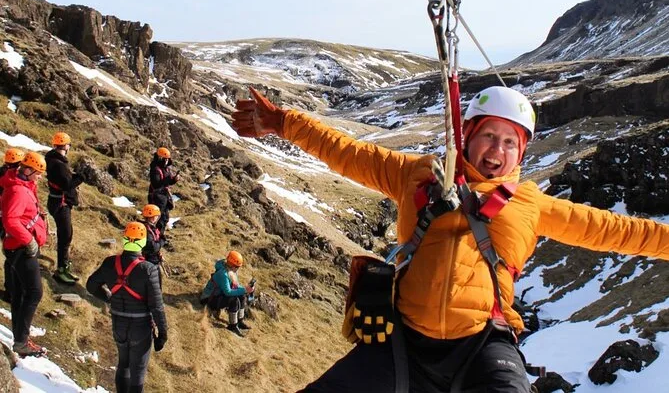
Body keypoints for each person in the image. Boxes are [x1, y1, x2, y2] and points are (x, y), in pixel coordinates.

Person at [231, 86, 669, 392]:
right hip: (401, 343)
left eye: (510, 143)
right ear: (468, 136)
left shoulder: (531, 204)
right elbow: (349, 153)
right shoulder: (417, 174)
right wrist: (284, 122)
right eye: (489, 136)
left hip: (483, 346)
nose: (497, 151)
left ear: (521, 152)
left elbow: (619, 230)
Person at [86, 221, 168, 393]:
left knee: (123, 363)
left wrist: (110, 298)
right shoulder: (148, 269)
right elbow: (156, 305)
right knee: (138, 370)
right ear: (143, 242)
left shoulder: (110, 263)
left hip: (118, 323)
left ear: (125, 239)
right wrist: (163, 333)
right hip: (141, 326)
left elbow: (91, 285)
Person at [1, 152, 48, 357]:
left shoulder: (23, 186)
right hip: (21, 248)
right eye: (37, 173)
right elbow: (10, 220)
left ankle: (20, 338)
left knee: (20, 293)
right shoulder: (18, 191)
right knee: (34, 292)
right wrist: (29, 240)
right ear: (27, 170)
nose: (39, 177)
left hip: (18, 247)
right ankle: (21, 341)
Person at [45, 132, 83, 285]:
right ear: (66, 146)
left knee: (66, 235)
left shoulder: (53, 160)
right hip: (61, 204)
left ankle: (64, 267)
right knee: (65, 236)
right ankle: (61, 270)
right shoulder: (59, 164)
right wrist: (80, 178)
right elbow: (67, 185)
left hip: (57, 202)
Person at [204, 250, 254, 337]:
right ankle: (233, 326)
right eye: (237, 266)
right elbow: (228, 292)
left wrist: (246, 289)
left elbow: (235, 286)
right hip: (209, 299)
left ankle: (240, 321)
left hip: (219, 294)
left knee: (242, 295)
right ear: (231, 265)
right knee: (233, 300)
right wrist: (245, 290)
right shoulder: (223, 274)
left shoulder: (231, 270)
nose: (238, 268)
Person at [0, 147, 26, 303]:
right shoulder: (13, 179)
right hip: (8, 220)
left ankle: (10, 290)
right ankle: (11, 291)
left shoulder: (3, 174)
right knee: (11, 256)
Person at [147, 147, 179, 237]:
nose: (166, 161)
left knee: (164, 218)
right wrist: (168, 179)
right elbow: (156, 184)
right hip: (156, 197)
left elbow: (167, 182)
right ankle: (154, 237)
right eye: (165, 159)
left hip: (164, 197)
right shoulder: (155, 169)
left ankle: (160, 237)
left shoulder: (166, 169)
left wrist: (174, 180)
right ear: (160, 158)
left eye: (167, 159)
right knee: (156, 219)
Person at [140, 204, 165, 287]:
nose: (157, 218)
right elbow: (153, 247)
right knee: (155, 285)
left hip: (150, 260)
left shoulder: (149, 227)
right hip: (150, 261)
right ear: (152, 217)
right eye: (156, 216)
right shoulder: (147, 229)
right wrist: (162, 241)